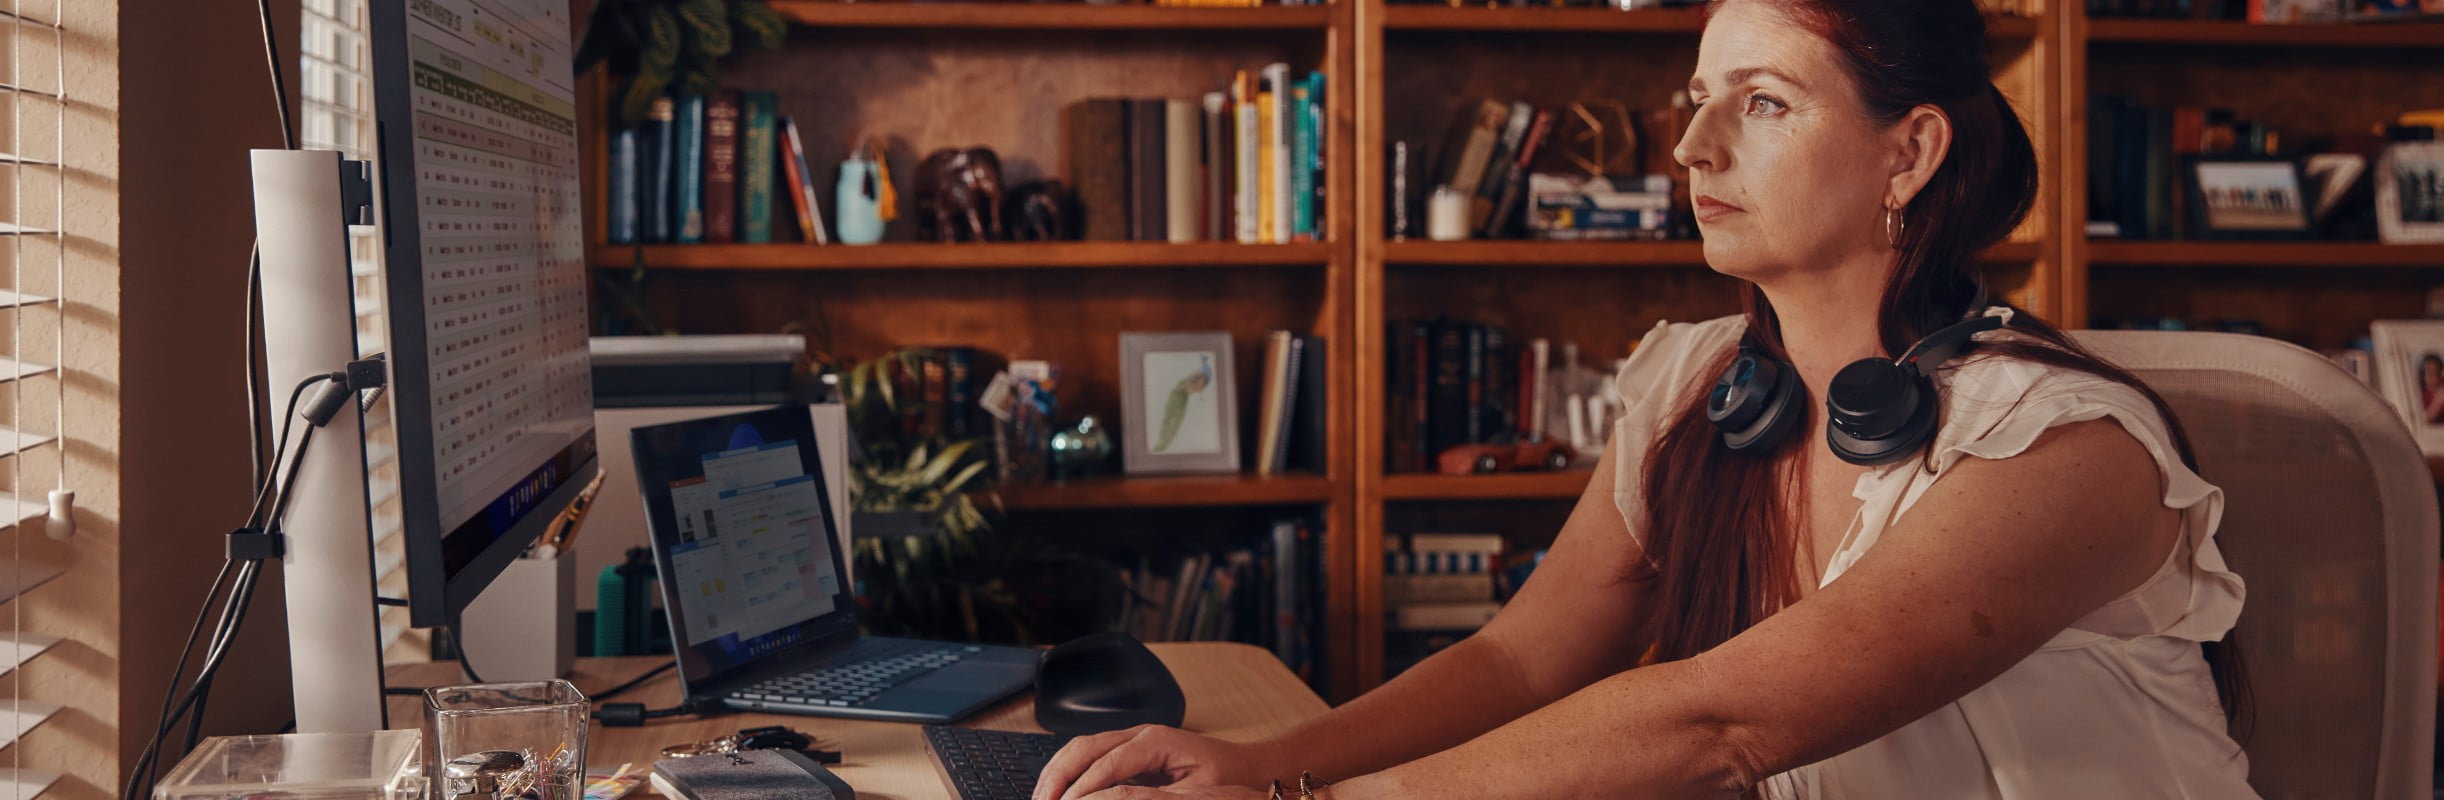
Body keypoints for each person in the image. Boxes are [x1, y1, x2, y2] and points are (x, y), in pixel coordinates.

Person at [1033, 0, 2252, 796]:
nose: (1691, 147)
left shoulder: (2062, 448)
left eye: (1761, 102)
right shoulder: (1698, 386)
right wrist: (1264, 763)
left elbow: (1725, 719)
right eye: (1697, 98)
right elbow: (1520, 660)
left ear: (1908, 151)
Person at [2419, 354, 2443, 424]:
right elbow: (2422, 422)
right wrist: (2438, 402)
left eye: (2436, 372)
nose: (2434, 377)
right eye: (2429, 372)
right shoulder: (2420, 394)